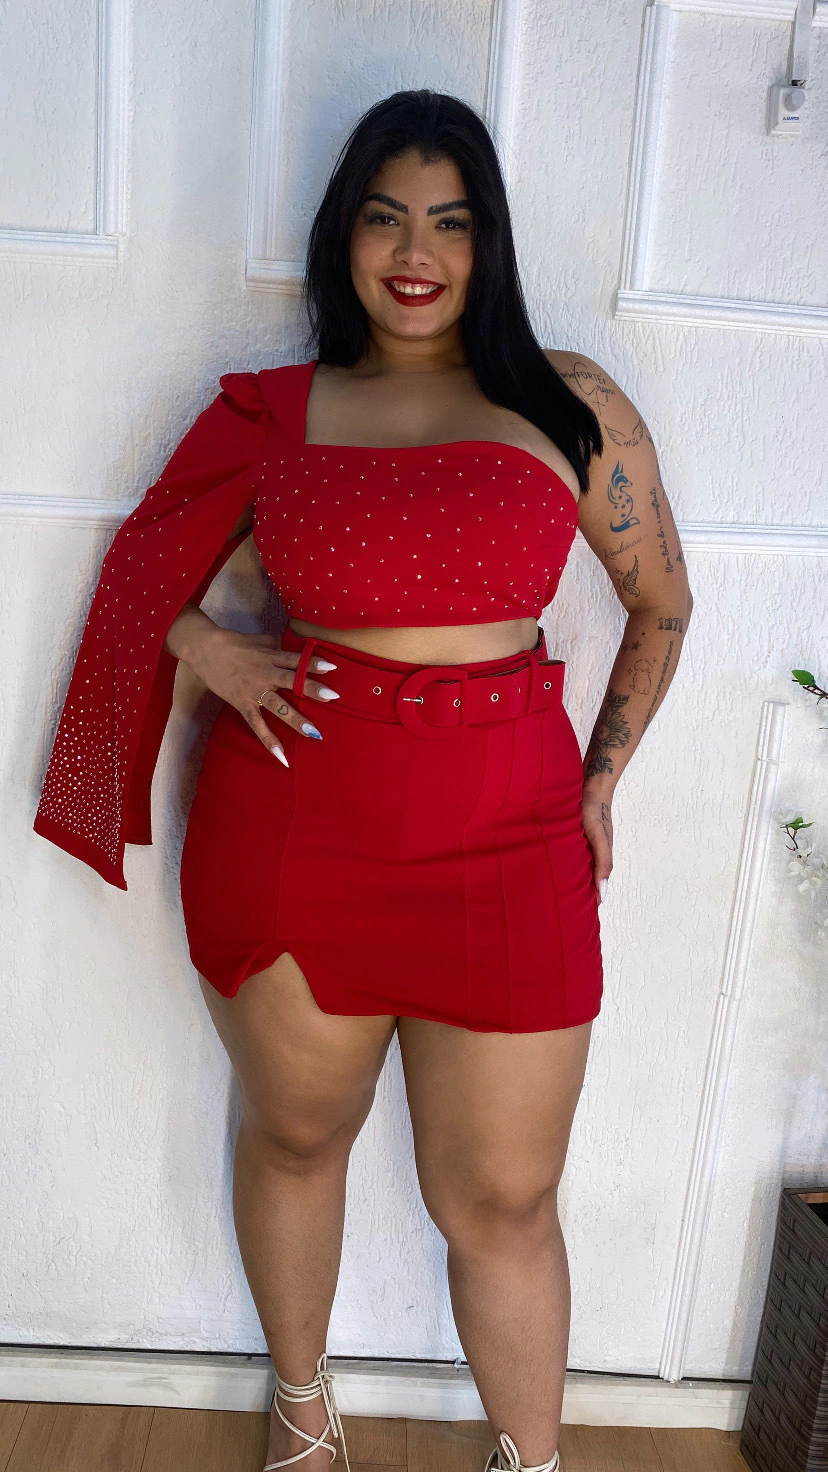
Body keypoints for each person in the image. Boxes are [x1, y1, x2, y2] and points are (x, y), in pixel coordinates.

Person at [33, 90, 693, 1472]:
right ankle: (303, 1419)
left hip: (511, 836)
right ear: (344, 234)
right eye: (386, 217)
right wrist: (207, 644)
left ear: (488, 242)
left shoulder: (567, 400)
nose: (416, 251)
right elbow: (145, 565)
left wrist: (600, 783)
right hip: (296, 826)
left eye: (450, 221)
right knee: (297, 1137)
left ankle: (531, 1462)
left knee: (503, 1199)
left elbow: (661, 605)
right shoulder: (275, 411)